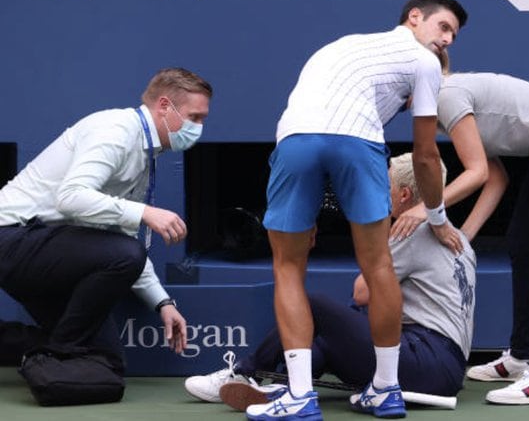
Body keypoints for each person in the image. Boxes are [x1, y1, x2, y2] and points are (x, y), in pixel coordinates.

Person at [251, 0, 469, 421]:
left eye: (453, 36)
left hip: (295, 141)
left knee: (288, 266)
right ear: (414, 18)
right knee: (379, 265)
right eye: (443, 28)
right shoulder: (425, 63)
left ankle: (297, 396)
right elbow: (426, 156)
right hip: (357, 143)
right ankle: (386, 390)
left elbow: (311, 128)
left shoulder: (341, 45)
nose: (447, 40)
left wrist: (306, 209)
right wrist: (437, 217)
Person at [184, 152, 476, 411]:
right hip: (444, 369)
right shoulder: (458, 236)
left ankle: (246, 371)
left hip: (425, 359)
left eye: (383, 184)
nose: (378, 191)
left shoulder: (411, 230)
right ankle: (284, 384)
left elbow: (362, 292)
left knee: (313, 305)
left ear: (402, 195)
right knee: (326, 338)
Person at [391, 53, 529, 405]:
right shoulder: (445, 103)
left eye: (403, 91)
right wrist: (462, 238)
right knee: (522, 244)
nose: (402, 101)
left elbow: (476, 174)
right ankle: (522, 357)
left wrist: (426, 210)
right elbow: (495, 177)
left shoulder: (446, 95)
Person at [0, 67, 212, 375]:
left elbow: (119, 236)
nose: (199, 128)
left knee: (106, 363)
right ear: (164, 106)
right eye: (194, 118)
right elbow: (70, 198)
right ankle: (58, 353)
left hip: (48, 252)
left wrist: (162, 302)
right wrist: (145, 213)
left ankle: (54, 351)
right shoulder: (116, 131)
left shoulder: (145, 152)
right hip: (11, 238)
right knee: (127, 254)